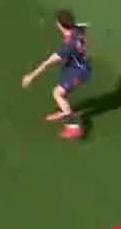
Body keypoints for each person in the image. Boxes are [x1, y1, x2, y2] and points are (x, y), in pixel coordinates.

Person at [21, 9, 91, 140]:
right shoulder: (77, 30)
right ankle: (64, 110)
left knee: (57, 93)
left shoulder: (67, 47)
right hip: (75, 66)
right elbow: (83, 27)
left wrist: (31, 77)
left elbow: (47, 63)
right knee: (62, 90)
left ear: (60, 25)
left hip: (79, 71)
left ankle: (73, 127)